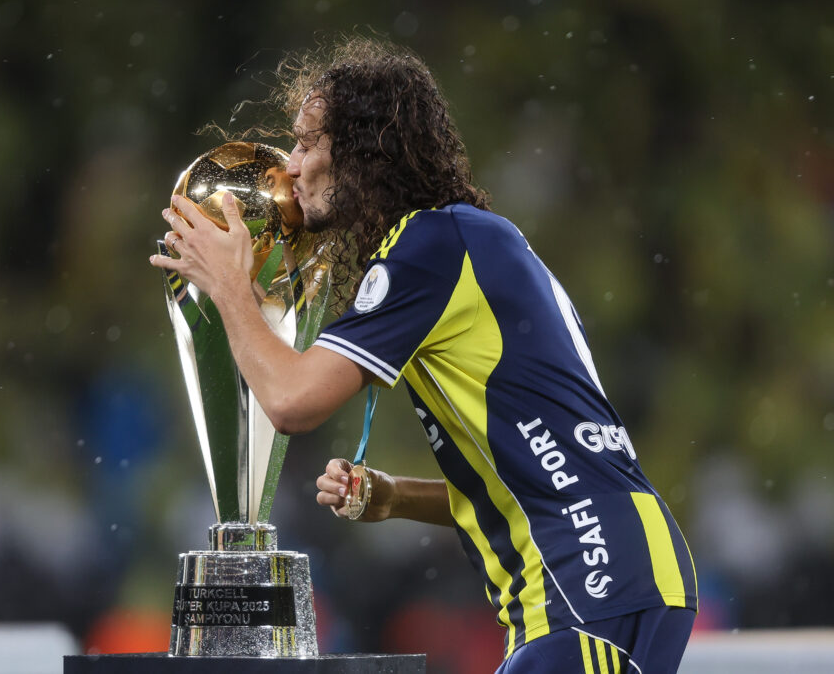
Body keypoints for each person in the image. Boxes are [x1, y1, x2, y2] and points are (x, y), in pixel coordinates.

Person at [150, 38, 697, 673]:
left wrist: (228, 287)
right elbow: (532, 476)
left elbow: (292, 402)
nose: (290, 167)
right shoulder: (467, 238)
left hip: (591, 581)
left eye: (305, 143)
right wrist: (395, 497)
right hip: (615, 573)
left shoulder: (431, 244)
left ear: (363, 151)